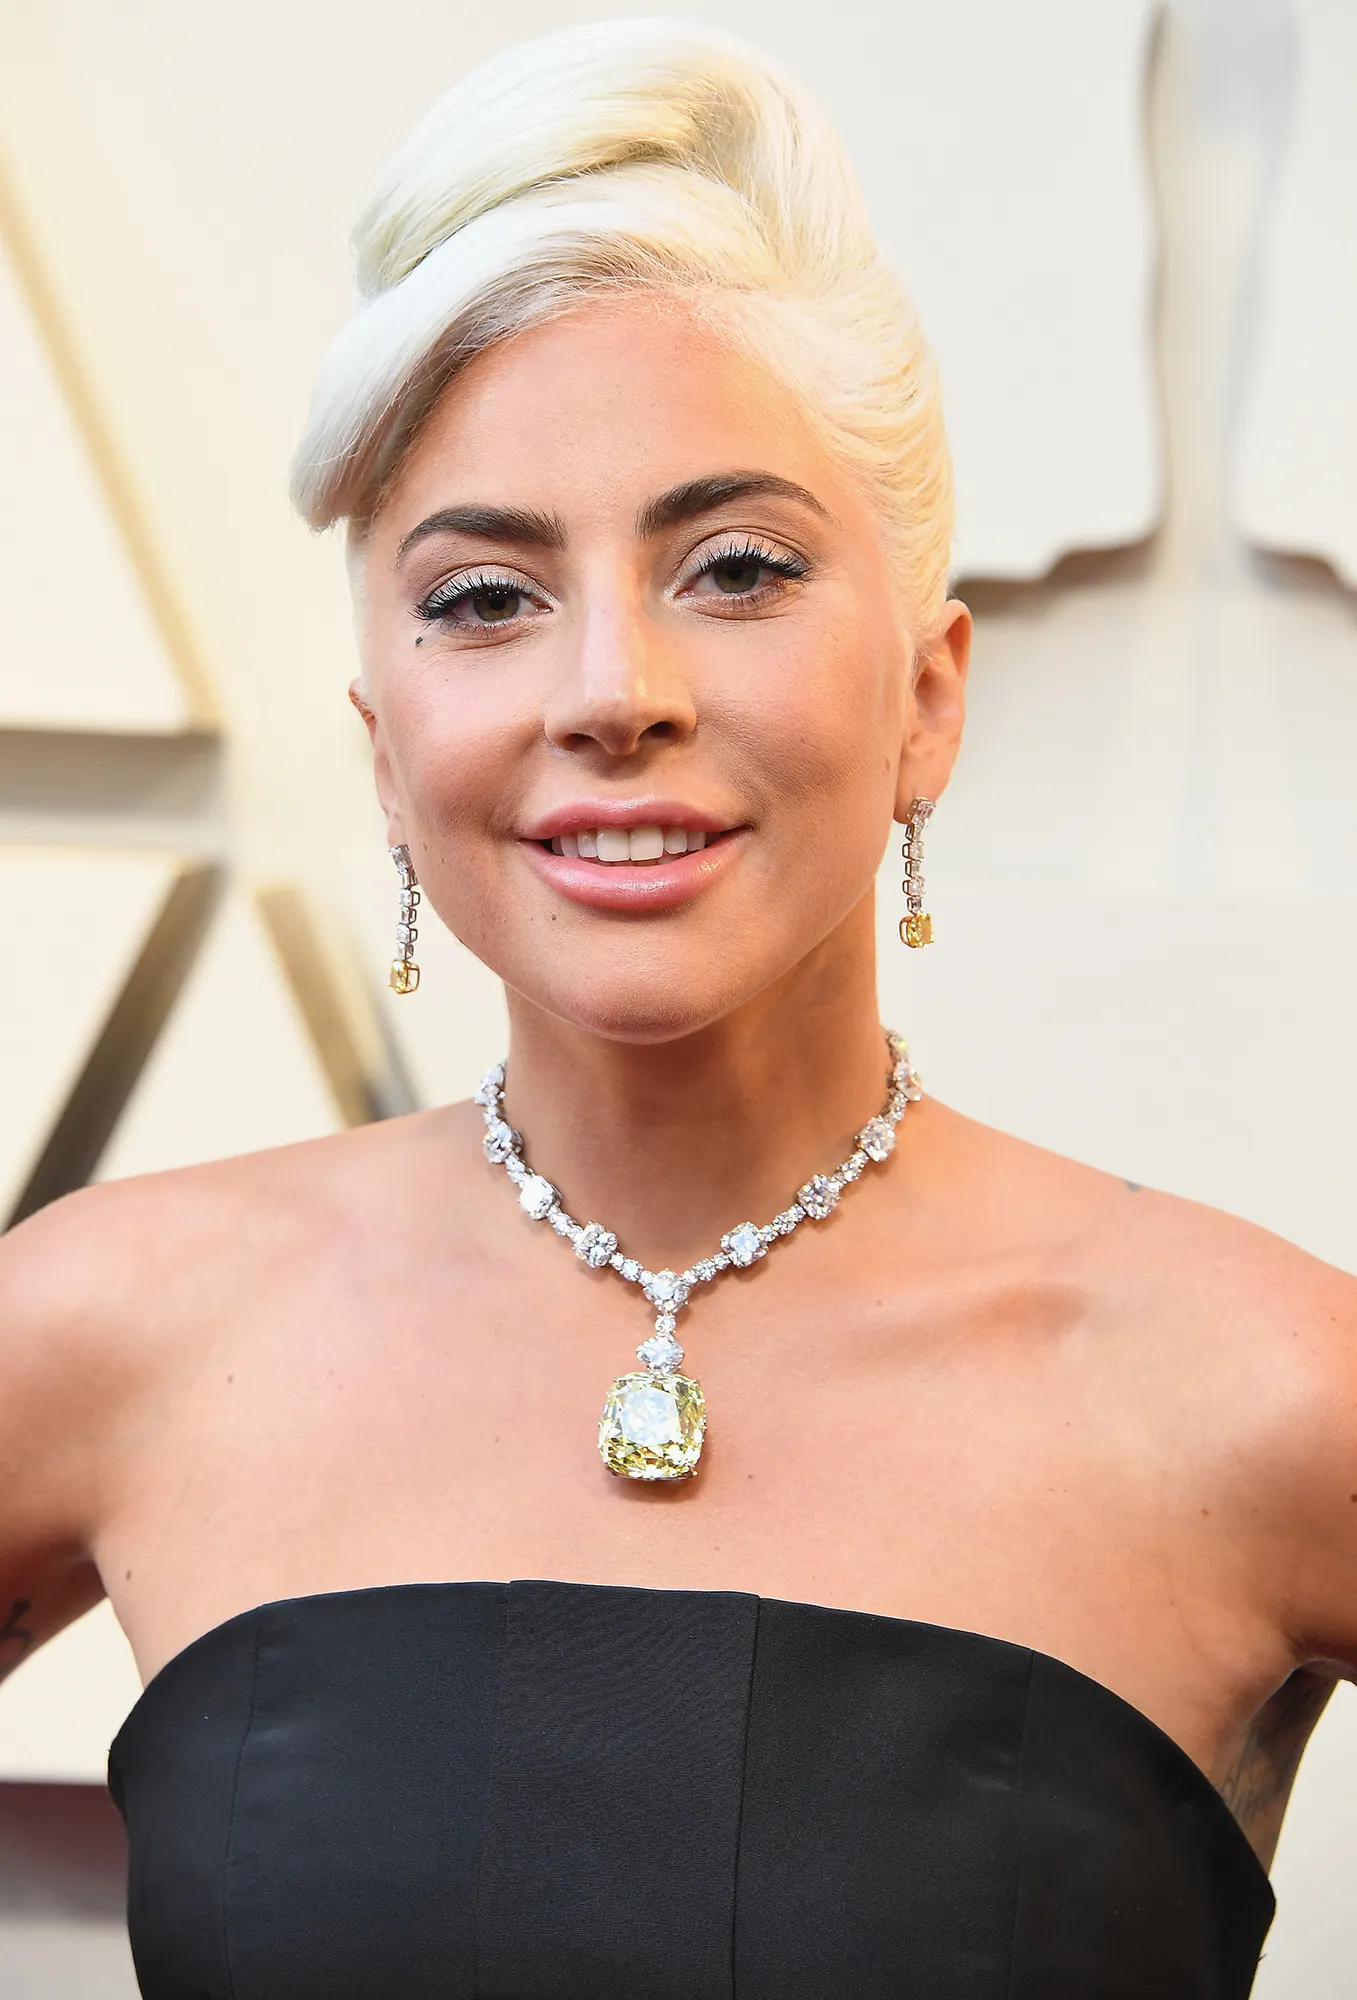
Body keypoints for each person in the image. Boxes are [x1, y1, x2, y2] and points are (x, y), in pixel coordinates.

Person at [1, 17, 1353, 1996]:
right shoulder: (107, 1331)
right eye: (486, 595)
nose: (610, 692)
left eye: (733, 567)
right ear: (385, 751)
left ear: (927, 697)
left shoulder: (1266, 1386)